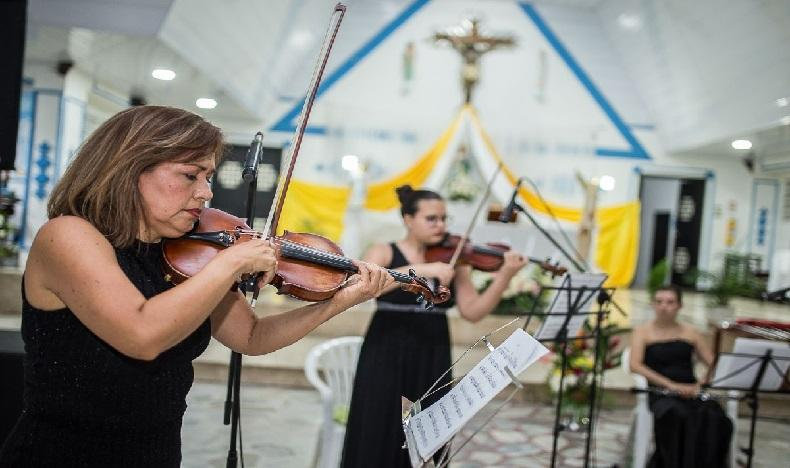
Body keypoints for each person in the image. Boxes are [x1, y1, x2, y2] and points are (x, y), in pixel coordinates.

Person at [0, 106, 393, 467]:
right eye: (191, 175)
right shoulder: (68, 235)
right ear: (129, 169)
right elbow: (141, 335)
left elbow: (251, 336)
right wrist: (231, 263)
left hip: (156, 453)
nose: (206, 192)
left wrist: (339, 301)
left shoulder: (184, 253)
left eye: (207, 177)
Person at [341, 185, 529, 467]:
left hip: (433, 351)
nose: (440, 225)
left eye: (443, 218)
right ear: (408, 219)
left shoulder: (454, 259)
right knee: (379, 423)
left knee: (429, 429)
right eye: (431, 218)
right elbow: (361, 287)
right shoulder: (384, 251)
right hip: (387, 349)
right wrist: (423, 271)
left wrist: (504, 277)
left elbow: (473, 311)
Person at [629, 285, 733, 468]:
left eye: (670, 302)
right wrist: (670, 385)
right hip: (660, 391)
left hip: (691, 390)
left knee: (713, 415)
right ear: (653, 304)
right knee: (677, 414)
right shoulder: (642, 331)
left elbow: (713, 363)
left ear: (679, 306)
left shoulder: (691, 332)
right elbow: (635, 365)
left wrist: (701, 383)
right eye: (659, 302)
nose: (664, 307)